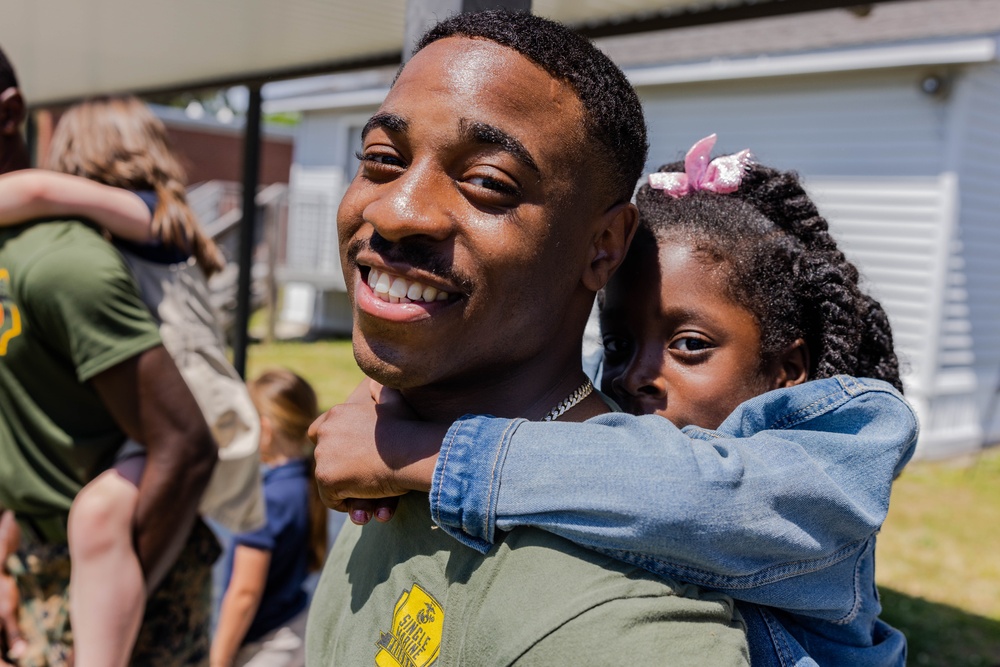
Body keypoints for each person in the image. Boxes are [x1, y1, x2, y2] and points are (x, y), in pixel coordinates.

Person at [310, 135, 919, 666]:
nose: (637, 375)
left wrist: (426, 455)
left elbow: (702, 493)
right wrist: (400, 400)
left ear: (788, 367)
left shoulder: (834, 459)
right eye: (622, 343)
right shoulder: (628, 417)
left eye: (689, 344)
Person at [306, 10, 751, 666]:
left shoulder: (619, 614)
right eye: (381, 159)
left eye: (487, 182)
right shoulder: (370, 446)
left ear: (604, 245)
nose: (396, 211)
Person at [0, 95, 265, 667]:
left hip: (199, 408)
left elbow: (39, 191)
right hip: (181, 410)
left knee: (97, 515)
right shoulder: (137, 226)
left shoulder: (148, 214)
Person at [211, 369, 327, 667]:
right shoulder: (304, 480)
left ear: (265, 429)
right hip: (293, 626)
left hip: (264, 645)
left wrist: (218, 660)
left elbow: (244, 593)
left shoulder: (269, 499)